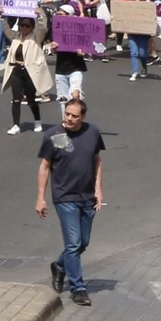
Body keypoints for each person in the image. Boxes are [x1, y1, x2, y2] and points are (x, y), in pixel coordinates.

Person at [36, 98, 105, 307]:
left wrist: (98, 189)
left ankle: (59, 266)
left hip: (87, 197)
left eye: (75, 116)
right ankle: (78, 288)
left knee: (82, 242)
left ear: (83, 117)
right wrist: (41, 198)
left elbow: (97, 161)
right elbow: (45, 167)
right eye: (67, 114)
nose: (69, 118)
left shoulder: (92, 132)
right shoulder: (54, 135)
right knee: (73, 243)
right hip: (64, 197)